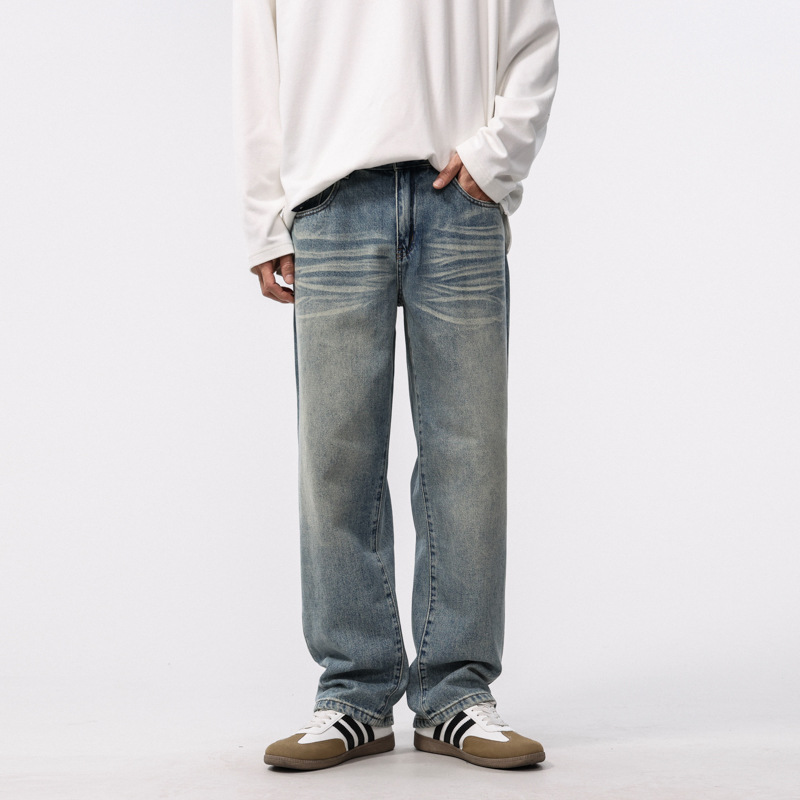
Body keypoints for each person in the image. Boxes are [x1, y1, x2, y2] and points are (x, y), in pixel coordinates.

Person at [233, 0, 560, 771]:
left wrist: (499, 153)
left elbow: (534, 34)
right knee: (335, 458)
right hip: (330, 200)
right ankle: (354, 694)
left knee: (468, 457)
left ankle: (456, 694)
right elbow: (256, 60)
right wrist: (264, 216)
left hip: (459, 197)